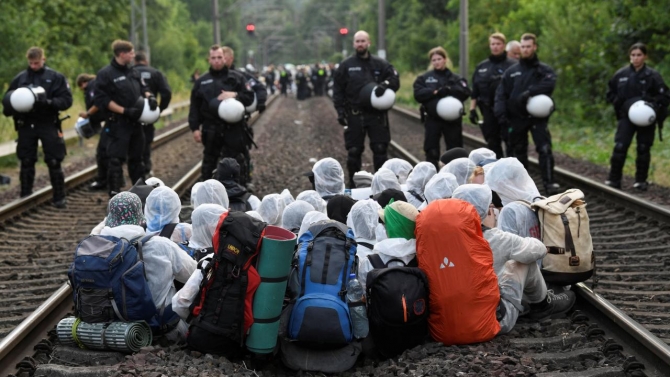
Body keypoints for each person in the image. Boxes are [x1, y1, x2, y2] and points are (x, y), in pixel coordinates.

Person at [452, 184, 576, 332]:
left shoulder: (442, 238)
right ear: (484, 211)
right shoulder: (495, 238)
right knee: (522, 261)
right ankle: (543, 306)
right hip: (491, 321)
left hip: (451, 321)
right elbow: (538, 250)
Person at [100, 191, 196, 340]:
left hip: (109, 326)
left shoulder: (97, 246)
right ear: (140, 214)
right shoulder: (161, 245)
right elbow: (193, 275)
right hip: (158, 327)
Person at [2, 47, 72, 207]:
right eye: (31, 63)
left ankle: (59, 197)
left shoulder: (55, 77)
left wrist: (48, 103)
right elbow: (8, 101)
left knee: (54, 160)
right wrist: (12, 107)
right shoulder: (20, 78)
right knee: (26, 160)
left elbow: (66, 100)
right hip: (26, 124)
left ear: (43, 60)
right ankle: (25, 195)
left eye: (36, 63)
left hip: (48, 123)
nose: (33, 66)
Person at [494, 33, 560, 195]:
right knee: (518, 152)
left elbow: (550, 83)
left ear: (534, 47)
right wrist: (501, 115)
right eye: (523, 47)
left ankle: (549, 183)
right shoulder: (511, 72)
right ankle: (521, 187)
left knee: (544, 149)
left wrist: (530, 92)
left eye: (528, 46)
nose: (525, 49)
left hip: (537, 118)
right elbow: (501, 94)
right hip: (516, 118)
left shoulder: (543, 70)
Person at [333, 30, 401, 187]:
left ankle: (381, 185)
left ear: (369, 43)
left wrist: (385, 85)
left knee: (380, 150)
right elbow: (338, 90)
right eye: (357, 41)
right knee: (354, 152)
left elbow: (395, 79)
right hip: (354, 115)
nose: (360, 44)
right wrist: (340, 111)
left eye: (363, 41)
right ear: (353, 44)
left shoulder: (380, 64)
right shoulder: (346, 65)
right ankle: (354, 186)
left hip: (376, 116)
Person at [605, 43, 670, 191]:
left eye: (639, 55)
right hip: (626, 117)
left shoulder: (653, 76)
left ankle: (641, 180)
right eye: (633, 55)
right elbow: (610, 93)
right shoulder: (620, 75)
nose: (636, 58)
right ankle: (614, 179)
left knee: (643, 148)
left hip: (646, 118)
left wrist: (653, 106)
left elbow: (665, 96)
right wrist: (620, 104)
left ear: (645, 56)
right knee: (620, 146)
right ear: (629, 56)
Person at [94, 40, 154, 196]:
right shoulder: (106, 74)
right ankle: (114, 194)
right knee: (115, 161)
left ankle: (140, 194)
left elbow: (143, 88)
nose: (133, 55)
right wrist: (124, 111)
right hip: (118, 124)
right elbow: (103, 100)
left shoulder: (133, 71)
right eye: (131, 53)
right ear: (122, 54)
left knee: (137, 160)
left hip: (136, 122)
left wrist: (150, 96)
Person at [188, 45, 254, 181]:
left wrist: (235, 94)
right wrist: (195, 128)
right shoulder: (201, 82)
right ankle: (207, 195)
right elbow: (195, 107)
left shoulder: (238, 78)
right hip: (211, 130)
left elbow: (250, 97)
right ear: (209, 60)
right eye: (213, 58)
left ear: (225, 58)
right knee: (209, 165)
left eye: (219, 57)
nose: (217, 60)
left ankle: (239, 194)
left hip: (234, 130)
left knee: (236, 164)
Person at [413, 47, 471, 169]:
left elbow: (466, 91)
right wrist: (434, 92)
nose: (436, 62)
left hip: (452, 120)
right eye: (434, 60)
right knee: (431, 150)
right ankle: (432, 177)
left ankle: (455, 176)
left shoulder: (455, 78)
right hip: (433, 119)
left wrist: (450, 90)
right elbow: (418, 93)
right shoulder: (424, 78)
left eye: (439, 59)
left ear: (445, 60)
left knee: (455, 151)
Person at [221, 46, 267, 186]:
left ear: (230, 59)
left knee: (240, 156)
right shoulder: (211, 78)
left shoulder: (241, 76)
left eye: (223, 57)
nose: (220, 60)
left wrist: (257, 104)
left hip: (237, 126)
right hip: (217, 126)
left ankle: (244, 182)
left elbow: (259, 89)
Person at [470, 33, 517, 159]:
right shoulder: (482, 67)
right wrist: (472, 109)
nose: (495, 47)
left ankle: (512, 169)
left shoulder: (513, 65)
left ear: (503, 46)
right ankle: (496, 170)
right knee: (492, 142)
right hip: (487, 110)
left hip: (507, 110)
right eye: (493, 44)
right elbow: (475, 90)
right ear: (489, 46)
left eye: (498, 44)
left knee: (510, 141)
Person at [358, 199, 418, 290]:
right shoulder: (422, 259)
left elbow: (364, 296)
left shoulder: (370, 263)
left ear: (391, 228)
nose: (381, 226)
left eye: (384, 223)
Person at [134, 51, 172, 176]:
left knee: (133, 140)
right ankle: (146, 166)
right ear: (146, 60)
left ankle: (135, 167)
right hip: (149, 113)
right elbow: (166, 92)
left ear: (135, 61)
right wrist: (159, 110)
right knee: (147, 140)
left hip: (132, 114)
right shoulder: (155, 73)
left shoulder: (130, 72)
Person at [76, 74, 108, 190]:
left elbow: (98, 103)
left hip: (108, 122)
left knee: (103, 153)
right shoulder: (95, 85)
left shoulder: (92, 87)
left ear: (84, 83)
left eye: (82, 88)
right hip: (107, 122)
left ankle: (105, 181)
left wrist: (87, 114)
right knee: (106, 152)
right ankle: (111, 179)